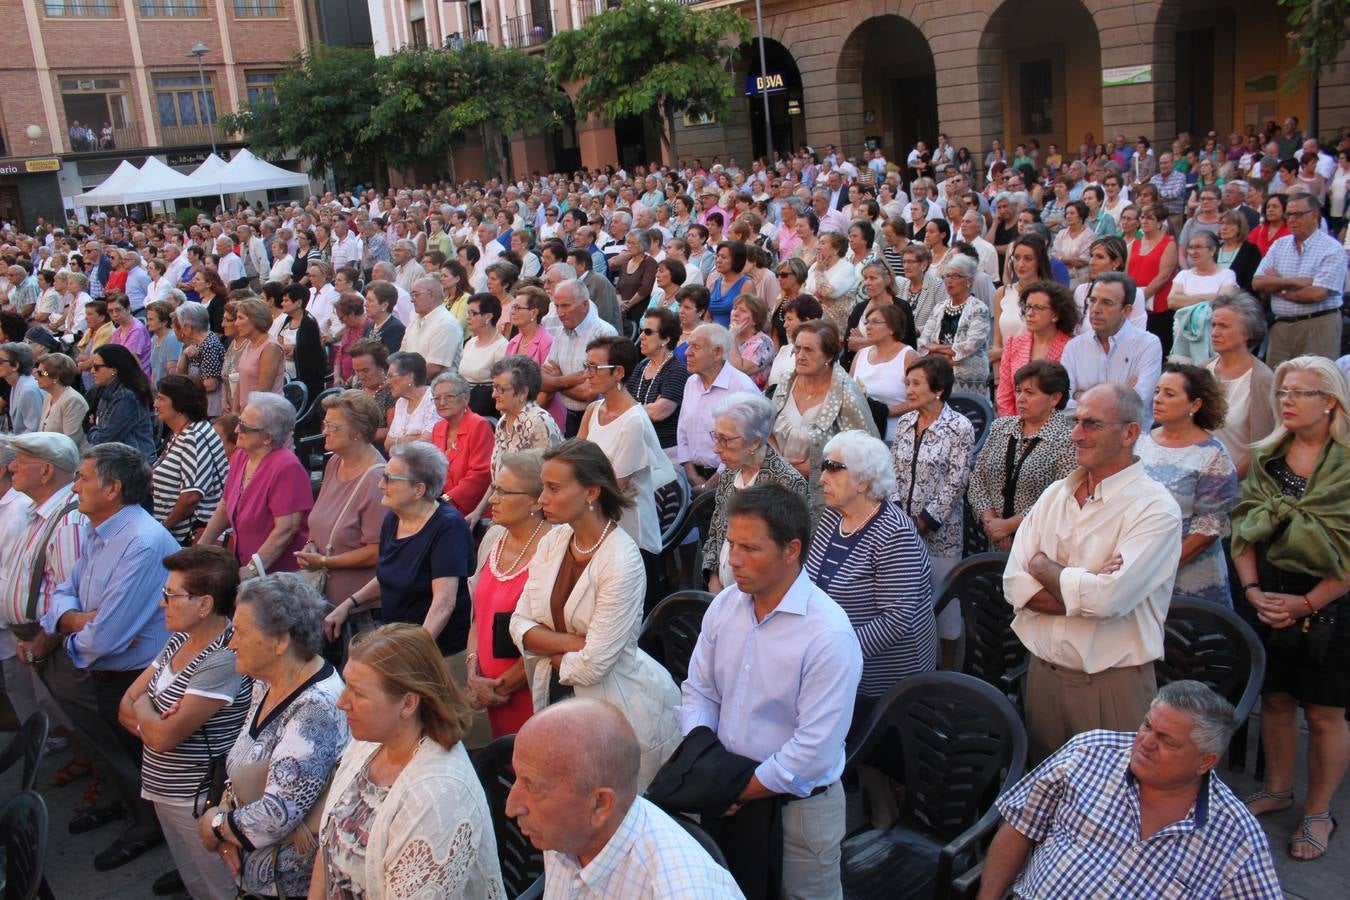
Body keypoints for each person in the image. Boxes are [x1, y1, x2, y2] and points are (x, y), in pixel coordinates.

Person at [678, 483, 862, 899]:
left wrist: (731, 788)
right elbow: (700, 693)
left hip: (798, 813)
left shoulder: (827, 634)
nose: (734, 560)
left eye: (750, 548)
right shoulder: (725, 607)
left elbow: (812, 751)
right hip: (726, 793)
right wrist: (711, 769)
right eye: (730, 543)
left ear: (791, 550)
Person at [1004, 383, 1183, 762]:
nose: (1076, 433)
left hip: (1110, 686)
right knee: (1045, 802)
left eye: (1092, 424)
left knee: (1109, 809)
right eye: (1076, 421)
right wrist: (1086, 583)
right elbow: (1012, 583)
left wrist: (1043, 566)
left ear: (1129, 433)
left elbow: (1107, 600)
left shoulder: (1155, 509)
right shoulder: (1055, 494)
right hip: (1042, 677)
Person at [978, 681, 1281, 900]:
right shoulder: (1090, 752)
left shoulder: (1236, 838)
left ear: (1205, 762)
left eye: (1167, 740)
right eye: (1147, 726)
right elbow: (1020, 825)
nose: (1146, 743)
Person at [24, 444, 180, 870]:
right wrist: (79, 619)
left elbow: (102, 640)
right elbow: (60, 595)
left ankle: (151, 829)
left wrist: (73, 625)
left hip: (133, 675)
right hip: (111, 670)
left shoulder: (141, 543)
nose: (74, 487)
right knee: (120, 755)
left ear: (112, 489)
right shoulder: (100, 530)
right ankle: (136, 813)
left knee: (139, 759)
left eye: (82, 479)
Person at [509, 439, 681, 788]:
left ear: (591, 492)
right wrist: (573, 642)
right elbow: (518, 623)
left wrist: (547, 645)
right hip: (562, 701)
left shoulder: (622, 559)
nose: (541, 499)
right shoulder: (553, 542)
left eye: (553, 488)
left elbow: (594, 666)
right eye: (543, 487)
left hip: (621, 710)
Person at [1232, 356, 1350, 861]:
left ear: (1331, 401)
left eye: (1300, 392)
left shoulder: (1346, 466)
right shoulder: (1267, 458)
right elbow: (1242, 530)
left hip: (1328, 601)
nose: (1287, 402)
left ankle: (1319, 812)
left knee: (1323, 713)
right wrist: (1255, 591)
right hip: (1267, 594)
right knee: (1276, 700)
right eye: (1283, 392)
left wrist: (1306, 602)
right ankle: (1279, 788)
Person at [313, 624, 505, 898]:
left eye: (357, 693)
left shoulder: (439, 795)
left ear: (408, 704)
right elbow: (327, 851)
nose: (341, 702)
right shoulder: (368, 742)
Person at [194, 574, 348, 899]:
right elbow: (239, 760)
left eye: (240, 632)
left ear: (280, 641)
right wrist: (223, 817)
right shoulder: (266, 681)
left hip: (291, 887)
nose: (230, 642)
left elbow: (277, 815)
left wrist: (217, 827)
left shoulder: (314, 709)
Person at [507, 698, 744, 898]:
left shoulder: (676, 889)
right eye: (517, 778)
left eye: (533, 787)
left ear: (600, 805)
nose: (511, 806)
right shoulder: (563, 833)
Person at [117, 546, 251, 900]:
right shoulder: (180, 638)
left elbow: (161, 735)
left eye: (170, 595)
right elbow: (124, 706)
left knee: (221, 889)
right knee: (195, 883)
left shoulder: (223, 659)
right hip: (161, 787)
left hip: (195, 798)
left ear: (204, 604)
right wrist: (154, 719)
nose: (163, 603)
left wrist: (146, 708)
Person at [807, 430, 936, 729]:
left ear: (863, 481)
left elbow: (895, 620)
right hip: (836, 665)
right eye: (824, 466)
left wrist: (835, 651)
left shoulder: (894, 534)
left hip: (885, 679)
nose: (822, 477)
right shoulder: (833, 516)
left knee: (879, 761)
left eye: (834, 468)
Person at [324, 441, 474, 662]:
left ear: (418, 489)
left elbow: (443, 603)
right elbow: (388, 574)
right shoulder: (393, 518)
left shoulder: (448, 527)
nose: (380, 485)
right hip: (398, 642)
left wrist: (414, 653)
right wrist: (348, 605)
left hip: (438, 653)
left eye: (389, 479)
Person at [0, 432, 84, 784]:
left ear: (46, 471)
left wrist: (40, 642)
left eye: (21, 460)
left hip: (48, 641)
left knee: (69, 711)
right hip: (31, 636)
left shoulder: (65, 520)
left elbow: (67, 594)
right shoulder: (39, 509)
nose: (13, 466)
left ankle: (89, 763)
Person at [889, 356, 976, 661]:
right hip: (903, 529)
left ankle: (950, 672)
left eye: (916, 384)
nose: (909, 390)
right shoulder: (905, 423)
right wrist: (901, 519)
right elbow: (894, 473)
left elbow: (956, 481)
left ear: (937, 389)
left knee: (945, 608)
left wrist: (924, 522)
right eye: (907, 383)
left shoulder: (959, 427)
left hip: (941, 533)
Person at [1136, 364, 1240, 605]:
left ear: (1195, 405)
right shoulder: (1141, 442)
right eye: (1157, 391)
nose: (1158, 399)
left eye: (1169, 394)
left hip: (1189, 578)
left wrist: (1159, 568)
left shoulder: (1214, 455)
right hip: (1139, 563)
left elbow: (1208, 529)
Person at [466, 450, 550, 738]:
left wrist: (501, 686)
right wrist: (473, 671)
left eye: (502, 491)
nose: (491, 499)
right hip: (488, 694)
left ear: (534, 501)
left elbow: (551, 635)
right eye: (494, 489)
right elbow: (478, 615)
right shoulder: (493, 538)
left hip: (529, 698)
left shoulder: (551, 552)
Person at [577, 336, 677, 559]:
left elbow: (614, 487)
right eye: (587, 366)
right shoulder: (593, 409)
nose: (587, 374)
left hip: (630, 538)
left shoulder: (634, 422)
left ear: (619, 373)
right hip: (595, 522)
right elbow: (573, 464)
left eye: (595, 367)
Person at [197, 393, 313, 577]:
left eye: (244, 427)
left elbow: (286, 529)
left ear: (267, 437)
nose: (236, 430)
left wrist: (252, 569)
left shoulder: (286, 467)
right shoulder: (242, 455)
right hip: (247, 566)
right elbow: (225, 506)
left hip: (278, 576)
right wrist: (199, 549)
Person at [969, 360, 1078, 553]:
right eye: (1018, 391)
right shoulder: (1000, 427)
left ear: (1055, 398)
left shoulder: (1067, 440)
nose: (1020, 398)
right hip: (991, 536)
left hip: (1038, 543)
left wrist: (1009, 526)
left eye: (1030, 392)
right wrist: (993, 522)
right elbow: (977, 479)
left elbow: (1061, 498)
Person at [771, 319, 878, 514]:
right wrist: (780, 462)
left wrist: (816, 466)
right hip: (778, 487)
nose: (800, 356)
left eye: (809, 350)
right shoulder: (788, 379)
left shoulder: (846, 394)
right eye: (797, 349)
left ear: (828, 355)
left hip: (825, 499)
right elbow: (766, 427)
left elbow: (867, 452)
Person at [294, 390, 386, 608]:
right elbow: (321, 521)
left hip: (354, 606)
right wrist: (310, 545)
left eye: (333, 427)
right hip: (322, 598)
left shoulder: (376, 479)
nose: (325, 432)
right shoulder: (335, 461)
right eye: (325, 424)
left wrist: (325, 561)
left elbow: (377, 551)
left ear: (356, 432)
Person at [1253, 192, 1347, 366]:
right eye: (1289, 214)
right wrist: (1295, 282)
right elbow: (1258, 282)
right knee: (1278, 383)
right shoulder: (1280, 245)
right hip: (1281, 326)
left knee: (1315, 383)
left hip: (1317, 324)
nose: (1292, 219)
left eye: (1298, 214)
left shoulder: (1331, 249)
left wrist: (1277, 287)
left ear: (1315, 215)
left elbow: (1317, 293)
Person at [1060, 272, 1163, 426]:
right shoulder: (1074, 347)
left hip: (1130, 440)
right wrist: (1122, 394)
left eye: (1106, 303)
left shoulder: (1148, 345)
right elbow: (1062, 403)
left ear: (1127, 311)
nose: (1095, 309)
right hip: (1081, 435)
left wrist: (1082, 396)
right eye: (1093, 300)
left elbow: (1136, 405)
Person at [677, 323, 760, 497]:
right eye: (688, 345)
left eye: (696, 347)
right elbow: (683, 430)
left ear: (717, 353)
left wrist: (709, 485)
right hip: (692, 477)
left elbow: (743, 446)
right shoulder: (691, 382)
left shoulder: (742, 388)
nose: (687, 353)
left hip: (731, 483)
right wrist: (692, 475)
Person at [151, 375, 229, 547]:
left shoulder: (194, 437)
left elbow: (191, 496)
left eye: (161, 399)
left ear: (180, 404)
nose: (155, 404)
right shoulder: (182, 432)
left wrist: (163, 527)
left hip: (190, 539)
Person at [1206, 293, 1276, 477]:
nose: (1215, 332)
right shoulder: (1202, 371)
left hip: (1236, 483)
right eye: (1213, 325)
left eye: (1224, 326)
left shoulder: (1262, 380)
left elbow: (1262, 448)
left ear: (1247, 333)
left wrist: (1225, 481)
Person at [542, 278, 618, 438]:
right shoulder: (562, 333)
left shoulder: (603, 333)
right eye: (556, 306)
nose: (560, 313)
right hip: (569, 418)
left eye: (566, 305)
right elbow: (542, 380)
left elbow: (588, 393)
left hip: (599, 420)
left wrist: (557, 382)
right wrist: (568, 380)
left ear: (584, 305)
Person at [995, 280, 1078, 416]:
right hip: (1015, 426)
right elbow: (1004, 396)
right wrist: (1013, 428)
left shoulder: (1072, 347)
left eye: (1038, 308)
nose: (1030, 313)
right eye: (1028, 307)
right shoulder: (1013, 344)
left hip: (1057, 427)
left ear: (1055, 314)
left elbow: (1068, 396)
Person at [917, 254, 992, 395]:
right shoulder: (939, 307)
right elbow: (922, 343)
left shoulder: (979, 309)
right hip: (937, 378)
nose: (949, 281)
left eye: (955, 276)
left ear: (969, 281)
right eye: (947, 276)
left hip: (967, 382)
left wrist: (936, 348)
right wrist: (945, 358)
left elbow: (970, 345)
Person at [428, 371, 493, 521]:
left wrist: (445, 501)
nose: (442, 402)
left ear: (465, 398)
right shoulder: (438, 428)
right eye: (437, 398)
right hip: (441, 506)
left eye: (449, 396)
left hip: (470, 511)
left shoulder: (479, 425)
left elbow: (480, 474)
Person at [850, 302, 918, 440]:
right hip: (861, 431)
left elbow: (920, 398)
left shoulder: (908, 356)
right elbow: (849, 391)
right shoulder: (861, 354)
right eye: (867, 322)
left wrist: (883, 412)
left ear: (892, 328)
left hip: (896, 433)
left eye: (875, 322)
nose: (868, 327)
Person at [1167, 231, 1237, 364]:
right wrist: (1208, 297)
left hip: (1213, 337)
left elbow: (1222, 301)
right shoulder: (1184, 275)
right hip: (1182, 338)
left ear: (1212, 250)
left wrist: (1186, 299)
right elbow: (1172, 301)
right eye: (1191, 247)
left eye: (1198, 247)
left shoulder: (1227, 275)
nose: (1193, 252)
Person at [628, 307, 688, 455]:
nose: (641, 336)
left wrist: (632, 408)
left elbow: (657, 413)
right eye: (642, 330)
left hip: (664, 452)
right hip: (637, 446)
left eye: (648, 332)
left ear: (666, 339)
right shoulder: (642, 366)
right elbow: (620, 404)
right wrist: (645, 408)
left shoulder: (677, 370)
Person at [489, 355, 562, 475]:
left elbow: (543, 479)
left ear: (523, 392)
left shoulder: (539, 421)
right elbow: (496, 481)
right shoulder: (503, 422)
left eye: (500, 389)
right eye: (494, 387)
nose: (493, 395)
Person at [1127, 204, 1180, 357]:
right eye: (1142, 217)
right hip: (1136, 301)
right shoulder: (1135, 244)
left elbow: (1163, 276)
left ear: (1160, 223)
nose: (1144, 221)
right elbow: (1127, 271)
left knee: (1157, 345)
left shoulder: (1168, 243)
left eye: (1150, 218)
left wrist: (1141, 296)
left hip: (1158, 304)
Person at [87, 343, 157, 457]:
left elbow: (104, 441)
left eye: (96, 367)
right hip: (115, 462)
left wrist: (91, 428)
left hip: (132, 466)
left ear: (114, 369)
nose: (92, 371)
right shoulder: (106, 391)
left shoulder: (127, 397)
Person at [230, 297, 285, 415]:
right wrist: (234, 411)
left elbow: (263, 392)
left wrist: (245, 416)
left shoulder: (270, 348)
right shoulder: (249, 343)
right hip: (246, 412)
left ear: (255, 320)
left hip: (264, 415)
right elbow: (242, 380)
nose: (236, 323)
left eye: (240, 318)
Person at [403, 276, 464, 380]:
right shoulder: (415, 319)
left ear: (431, 295)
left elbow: (434, 368)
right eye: (412, 295)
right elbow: (402, 356)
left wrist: (405, 383)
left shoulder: (446, 324)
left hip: (436, 390)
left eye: (416, 295)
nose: (412, 300)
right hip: (411, 384)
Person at [459, 293, 509, 417]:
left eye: (472, 313)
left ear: (488, 317)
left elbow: (502, 387)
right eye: (467, 313)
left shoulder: (502, 347)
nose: (468, 317)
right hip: (462, 400)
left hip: (484, 408)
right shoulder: (470, 343)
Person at [173, 301, 225, 418]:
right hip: (201, 404)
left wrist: (186, 386)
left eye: (180, 326)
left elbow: (211, 384)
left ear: (188, 327)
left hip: (211, 409)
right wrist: (185, 355)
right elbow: (180, 373)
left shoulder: (209, 345)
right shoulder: (194, 342)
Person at [276, 283, 327, 401]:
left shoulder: (309, 324)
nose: (282, 303)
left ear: (298, 302)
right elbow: (280, 340)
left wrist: (294, 350)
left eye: (286, 300)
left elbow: (312, 352)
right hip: (287, 377)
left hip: (304, 381)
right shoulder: (287, 320)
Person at [803, 233, 860, 337]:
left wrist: (820, 273)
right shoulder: (815, 265)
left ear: (836, 249)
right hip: (813, 323)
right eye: (819, 243)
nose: (818, 246)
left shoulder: (846, 268)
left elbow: (828, 293)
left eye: (823, 243)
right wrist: (818, 296)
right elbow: (804, 291)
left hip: (835, 330)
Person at [34, 352, 89, 450]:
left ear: (55, 377)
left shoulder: (72, 400)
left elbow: (69, 442)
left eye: (40, 373)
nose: (36, 377)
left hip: (70, 461)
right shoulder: (49, 397)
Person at [385, 350, 439, 447]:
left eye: (391, 377)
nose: (387, 382)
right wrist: (413, 438)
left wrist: (397, 441)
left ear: (410, 377)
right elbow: (387, 445)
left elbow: (427, 442)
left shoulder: (433, 399)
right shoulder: (401, 402)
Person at [726, 293, 775, 389]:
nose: (735, 313)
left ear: (755, 320)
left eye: (743, 311)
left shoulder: (763, 343)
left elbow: (739, 370)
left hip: (747, 397)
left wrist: (731, 337)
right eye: (735, 308)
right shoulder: (724, 336)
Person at [0, 342, 43, 434]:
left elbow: (33, 430)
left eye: (0, 361)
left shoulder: (29, 390)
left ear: (15, 366)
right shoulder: (16, 384)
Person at [106, 293, 153, 377]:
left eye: (118, 310)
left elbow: (128, 359)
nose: (114, 314)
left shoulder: (137, 330)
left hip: (136, 380)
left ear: (128, 309)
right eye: (110, 311)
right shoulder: (118, 331)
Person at [363, 280, 406, 355]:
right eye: (366, 299)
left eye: (370, 300)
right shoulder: (370, 325)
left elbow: (388, 360)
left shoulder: (396, 328)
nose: (365, 304)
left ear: (384, 305)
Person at [147, 300, 183, 385]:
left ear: (164, 322)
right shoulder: (155, 338)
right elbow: (154, 372)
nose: (148, 323)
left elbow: (172, 373)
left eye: (151, 319)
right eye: (148, 319)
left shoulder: (172, 338)